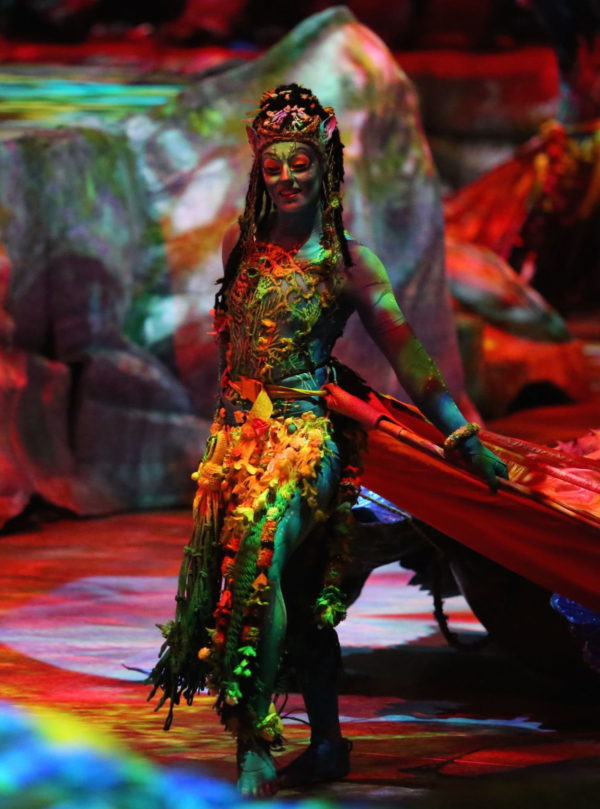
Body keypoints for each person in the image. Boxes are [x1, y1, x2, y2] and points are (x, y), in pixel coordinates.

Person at [148, 83, 508, 798]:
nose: (286, 176)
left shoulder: (350, 264)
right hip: (236, 446)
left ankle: (253, 740)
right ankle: (328, 744)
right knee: (303, 591)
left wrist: (462, 434)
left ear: (325, 167)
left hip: (305, 440)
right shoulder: (239, 246)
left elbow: (411, 358)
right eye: (273, 164)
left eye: (300, 162)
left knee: (258, 558)